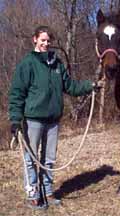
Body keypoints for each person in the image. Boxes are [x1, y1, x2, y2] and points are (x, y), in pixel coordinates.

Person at [8, 25, 102, 210]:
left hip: (53, 120)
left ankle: (48, 191)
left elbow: (70, 86)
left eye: (48, 41)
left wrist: (89, 86)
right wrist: (15, 119)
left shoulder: (57, 64)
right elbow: (17, 93)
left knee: (49, 159)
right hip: (32, 119)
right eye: (42, 40)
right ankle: (33, 193)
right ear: (35, 39)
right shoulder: (27, 63)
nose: (45, 43)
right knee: (31, 158)